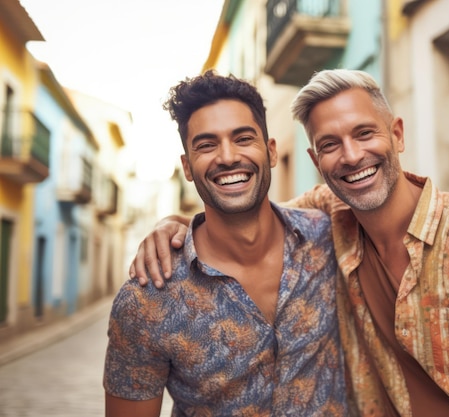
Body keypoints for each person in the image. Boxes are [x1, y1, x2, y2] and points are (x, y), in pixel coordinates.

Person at [130, 69, 449, 416]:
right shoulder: (325, 221)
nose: (351, 155)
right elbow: (244, 209)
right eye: (330, 144)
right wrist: (179, 225)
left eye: (365, 133)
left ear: (396, 134)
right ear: (315, 161)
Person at [104, 70, 351, 416]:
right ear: (187, 167)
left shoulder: (330, 236)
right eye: (206, 145)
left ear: (271, 150)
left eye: (243, 138)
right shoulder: (147, 299)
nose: (227, 156)